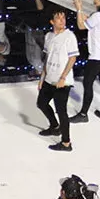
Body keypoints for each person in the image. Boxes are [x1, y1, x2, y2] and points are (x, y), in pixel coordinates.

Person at [36, 8, 78, 152]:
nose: (62, 21)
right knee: (41, 103)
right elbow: (47, 58)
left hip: (62, 81)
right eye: (59, 18)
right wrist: (42, 77)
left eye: (64, 18)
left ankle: (66, 143)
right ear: (52, 22)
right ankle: (54, 126)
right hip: (49, 78)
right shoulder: (48, 36)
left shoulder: (69, 36)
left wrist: (63, 77)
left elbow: (72, 58)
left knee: (62, 111)